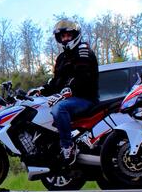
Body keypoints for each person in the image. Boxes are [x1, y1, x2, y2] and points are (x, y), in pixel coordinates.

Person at [40, 19, 99, 164]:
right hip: (69, 98)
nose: (65, 39)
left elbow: (82, 76)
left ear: (75, 35)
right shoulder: (62, 58)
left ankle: (68, 146)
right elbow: (56, 82)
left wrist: (68, 90)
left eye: (68, 36)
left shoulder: (82, 51)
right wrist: (41, 90)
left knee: (59, 108)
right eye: (62, 37)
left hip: (85, 99)